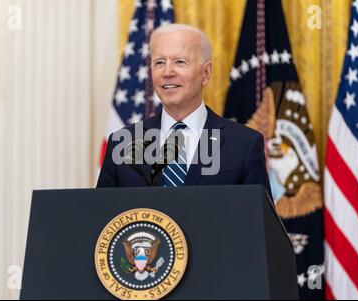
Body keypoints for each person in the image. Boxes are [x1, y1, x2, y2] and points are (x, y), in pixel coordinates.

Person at [97, 23, 272, 198]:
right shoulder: (122, 144)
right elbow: (103, 219)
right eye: (159, 62)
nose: (167, 72)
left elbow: (258, 222)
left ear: (205, 73)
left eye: (180, 61)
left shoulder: (244, 144)